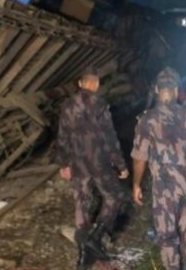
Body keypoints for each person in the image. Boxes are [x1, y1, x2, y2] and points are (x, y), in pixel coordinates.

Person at [131, 67, 186, 270]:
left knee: (167, 236)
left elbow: (140, 157)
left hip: (166, 185)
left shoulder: (147, 119)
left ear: (157, 89)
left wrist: (136, 184)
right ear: (176, 90)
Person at [56, 67, 130, 269]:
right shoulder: (100, 105)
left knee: (81, 204)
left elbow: (62, 137)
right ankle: (95, 239)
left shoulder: (68, 106)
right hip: (100, 163)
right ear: (96, 84)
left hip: (78, 164)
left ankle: (83, 256)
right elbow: (110, 137)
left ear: (80, 83)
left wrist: (63, 163)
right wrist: (121, 164)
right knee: (115, 197)